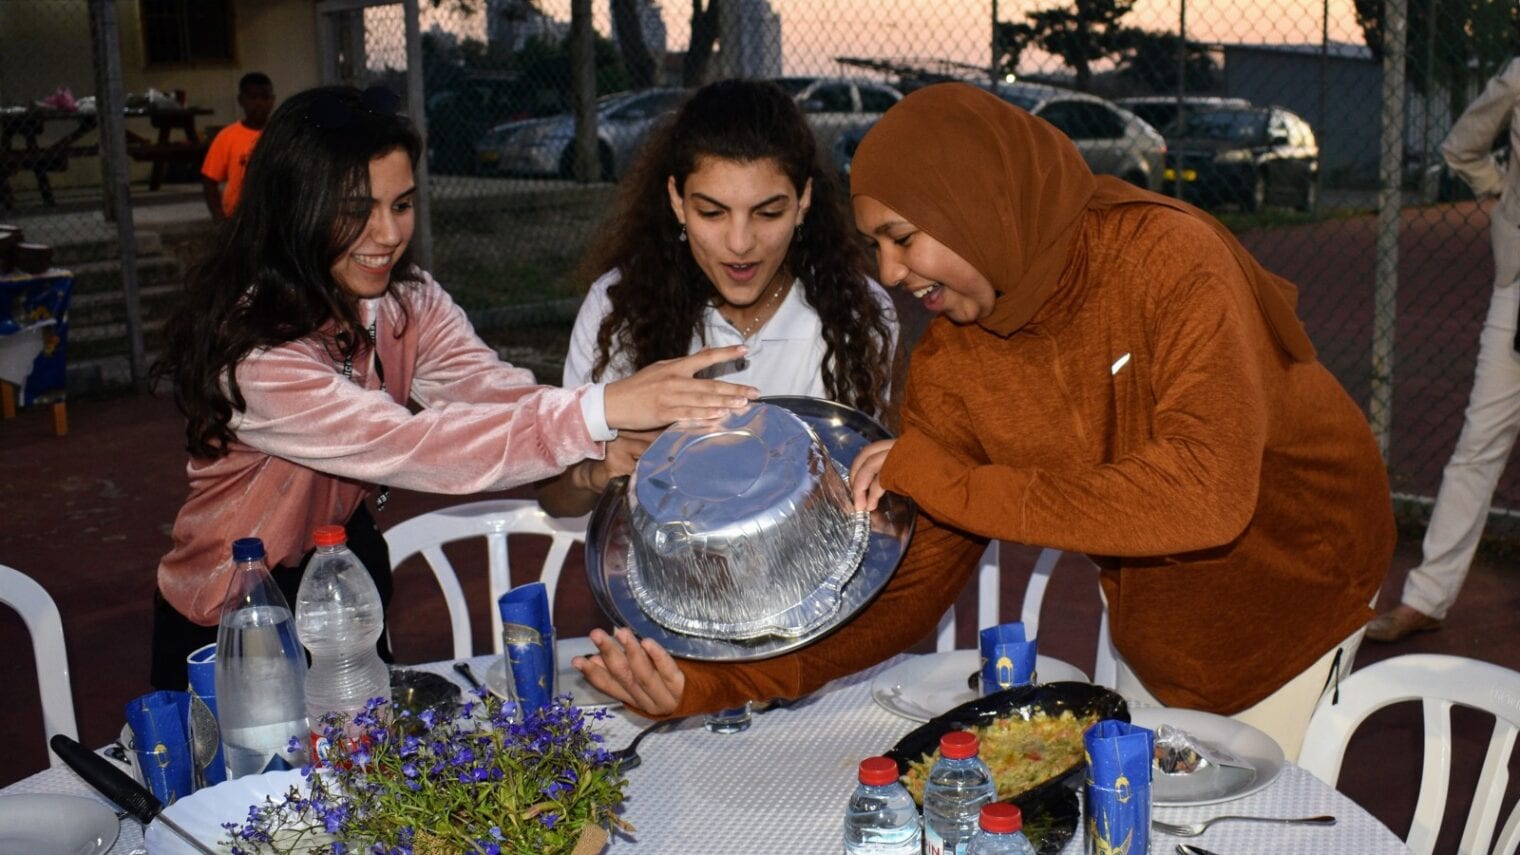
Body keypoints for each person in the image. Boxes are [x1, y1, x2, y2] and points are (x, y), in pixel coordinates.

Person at [574, 83, 1395, 761]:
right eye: (874, 244)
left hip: (1298, 600)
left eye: (903, 237)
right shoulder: (953, 363)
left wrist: (953, 479)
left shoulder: (1168, 262)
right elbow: (908, 589)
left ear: (978, 203)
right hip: (1164, 626)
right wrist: (716, 682)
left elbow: (1204, 496)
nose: (889, 273)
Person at [150, 84, 758, 690]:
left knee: (365, 765)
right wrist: (601, 406)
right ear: (293, 208)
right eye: (355, 209)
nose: (387, 233)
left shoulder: (404, 302)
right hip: (235, 608)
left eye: (402, 204)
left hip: (342, 567)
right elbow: (416, 446)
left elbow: (494, 394)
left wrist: (608, 438)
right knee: (248, 783)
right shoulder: (255, 351)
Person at [537, 78, 897, 518]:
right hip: (668, 577)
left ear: (803, 201)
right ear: (677, 201)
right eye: (712, 212)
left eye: (768, 213)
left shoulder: (855, 314)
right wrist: (592, 474)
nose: (740, 242)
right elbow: (555, 500)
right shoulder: (619, 306)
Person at [1367, 57, 1520, 643]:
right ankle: (1427, 599)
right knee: (1479, 443)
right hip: (1518, 289)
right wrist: (1503, 197)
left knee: (1477, 447)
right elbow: (1463, 147)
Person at [201, 72, 275, 223]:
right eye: (253, 98)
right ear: (241, 100)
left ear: (273, 100)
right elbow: (209, 181)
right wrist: (220, 219)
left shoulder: (282, 133)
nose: (259, 103)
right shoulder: (228, 136)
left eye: (265, 98)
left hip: (274, 218)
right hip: (238, 219)